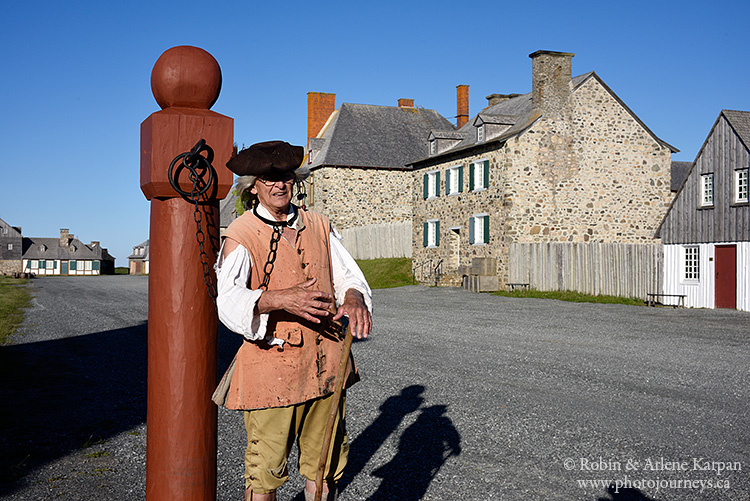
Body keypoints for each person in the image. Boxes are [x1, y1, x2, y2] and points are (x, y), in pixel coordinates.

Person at [214, 140, 372, 501]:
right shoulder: (241, 233)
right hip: (272, 370)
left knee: (325, 467)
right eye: (269, 179)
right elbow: (229, 301)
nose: (278, 185)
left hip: (328, 364)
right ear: (254, 186)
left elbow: (350, 276)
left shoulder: (319, 225)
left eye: (285, 177)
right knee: (265, 474)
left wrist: (353, 298)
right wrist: (278, 299)